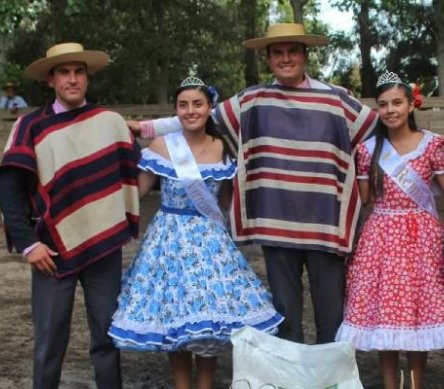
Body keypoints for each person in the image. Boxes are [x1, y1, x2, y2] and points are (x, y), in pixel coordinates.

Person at [131, 23, 378, 345]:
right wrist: (141, 128)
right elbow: (196, 117)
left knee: (331, 316)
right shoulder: (252, 100)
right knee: (286, 318)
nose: (285, 58)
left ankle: (333, 379)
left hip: (325, 224)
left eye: (292, 51)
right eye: (278, 52)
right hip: (276, 223)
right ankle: (291, 379)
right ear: (268, 58)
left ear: (305, 55)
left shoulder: (336, 100)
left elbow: (380, 128)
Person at [108, 76, 283, 389]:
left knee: (208, 322)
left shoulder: (223, 148)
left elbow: (228, 203)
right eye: (183, 105)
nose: (190, 111)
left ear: (209, 107)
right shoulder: (162, 146)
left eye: (197, 104)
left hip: (210, 243)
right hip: (168, 241)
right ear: (176, 110)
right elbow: (137, 192)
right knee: (174, 320)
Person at [0, 42, 139, 389]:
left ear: (87, 77)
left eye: (79, 72)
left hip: (103, 247)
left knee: (107, 338)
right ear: (50, 79)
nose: (72, 79)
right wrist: (29, 245)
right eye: (64, 72)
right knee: (49, 341)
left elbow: (137, 172)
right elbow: (9, 191)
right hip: (51, 251)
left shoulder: (110, 122)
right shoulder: (31, 126)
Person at [335, 71, 444, 389]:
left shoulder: (434, 145)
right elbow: (366, 199)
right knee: (385, 318)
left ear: (412, 104)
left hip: (421, 239)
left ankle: (414, 385)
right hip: (380, 237)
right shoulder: (368, 150)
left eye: (397, 102)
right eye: (383, 105)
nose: (390, 110)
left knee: (416, 318)